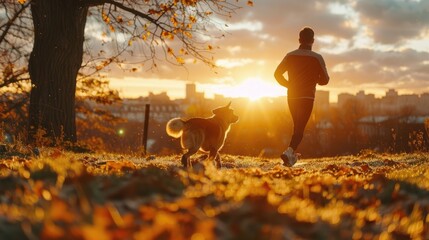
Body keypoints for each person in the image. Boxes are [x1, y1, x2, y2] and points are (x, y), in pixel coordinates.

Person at [274, 27, 330, 167]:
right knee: (299, 128)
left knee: (297, 127)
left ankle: (290, 158)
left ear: (299, 40)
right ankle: (288, 152)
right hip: (307, 97)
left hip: (292, 96)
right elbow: (325, 80)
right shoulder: (317, 58)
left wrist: (289, 85)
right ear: (313, 40)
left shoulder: (290, 55)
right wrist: (315, 79)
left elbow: (277, 74)